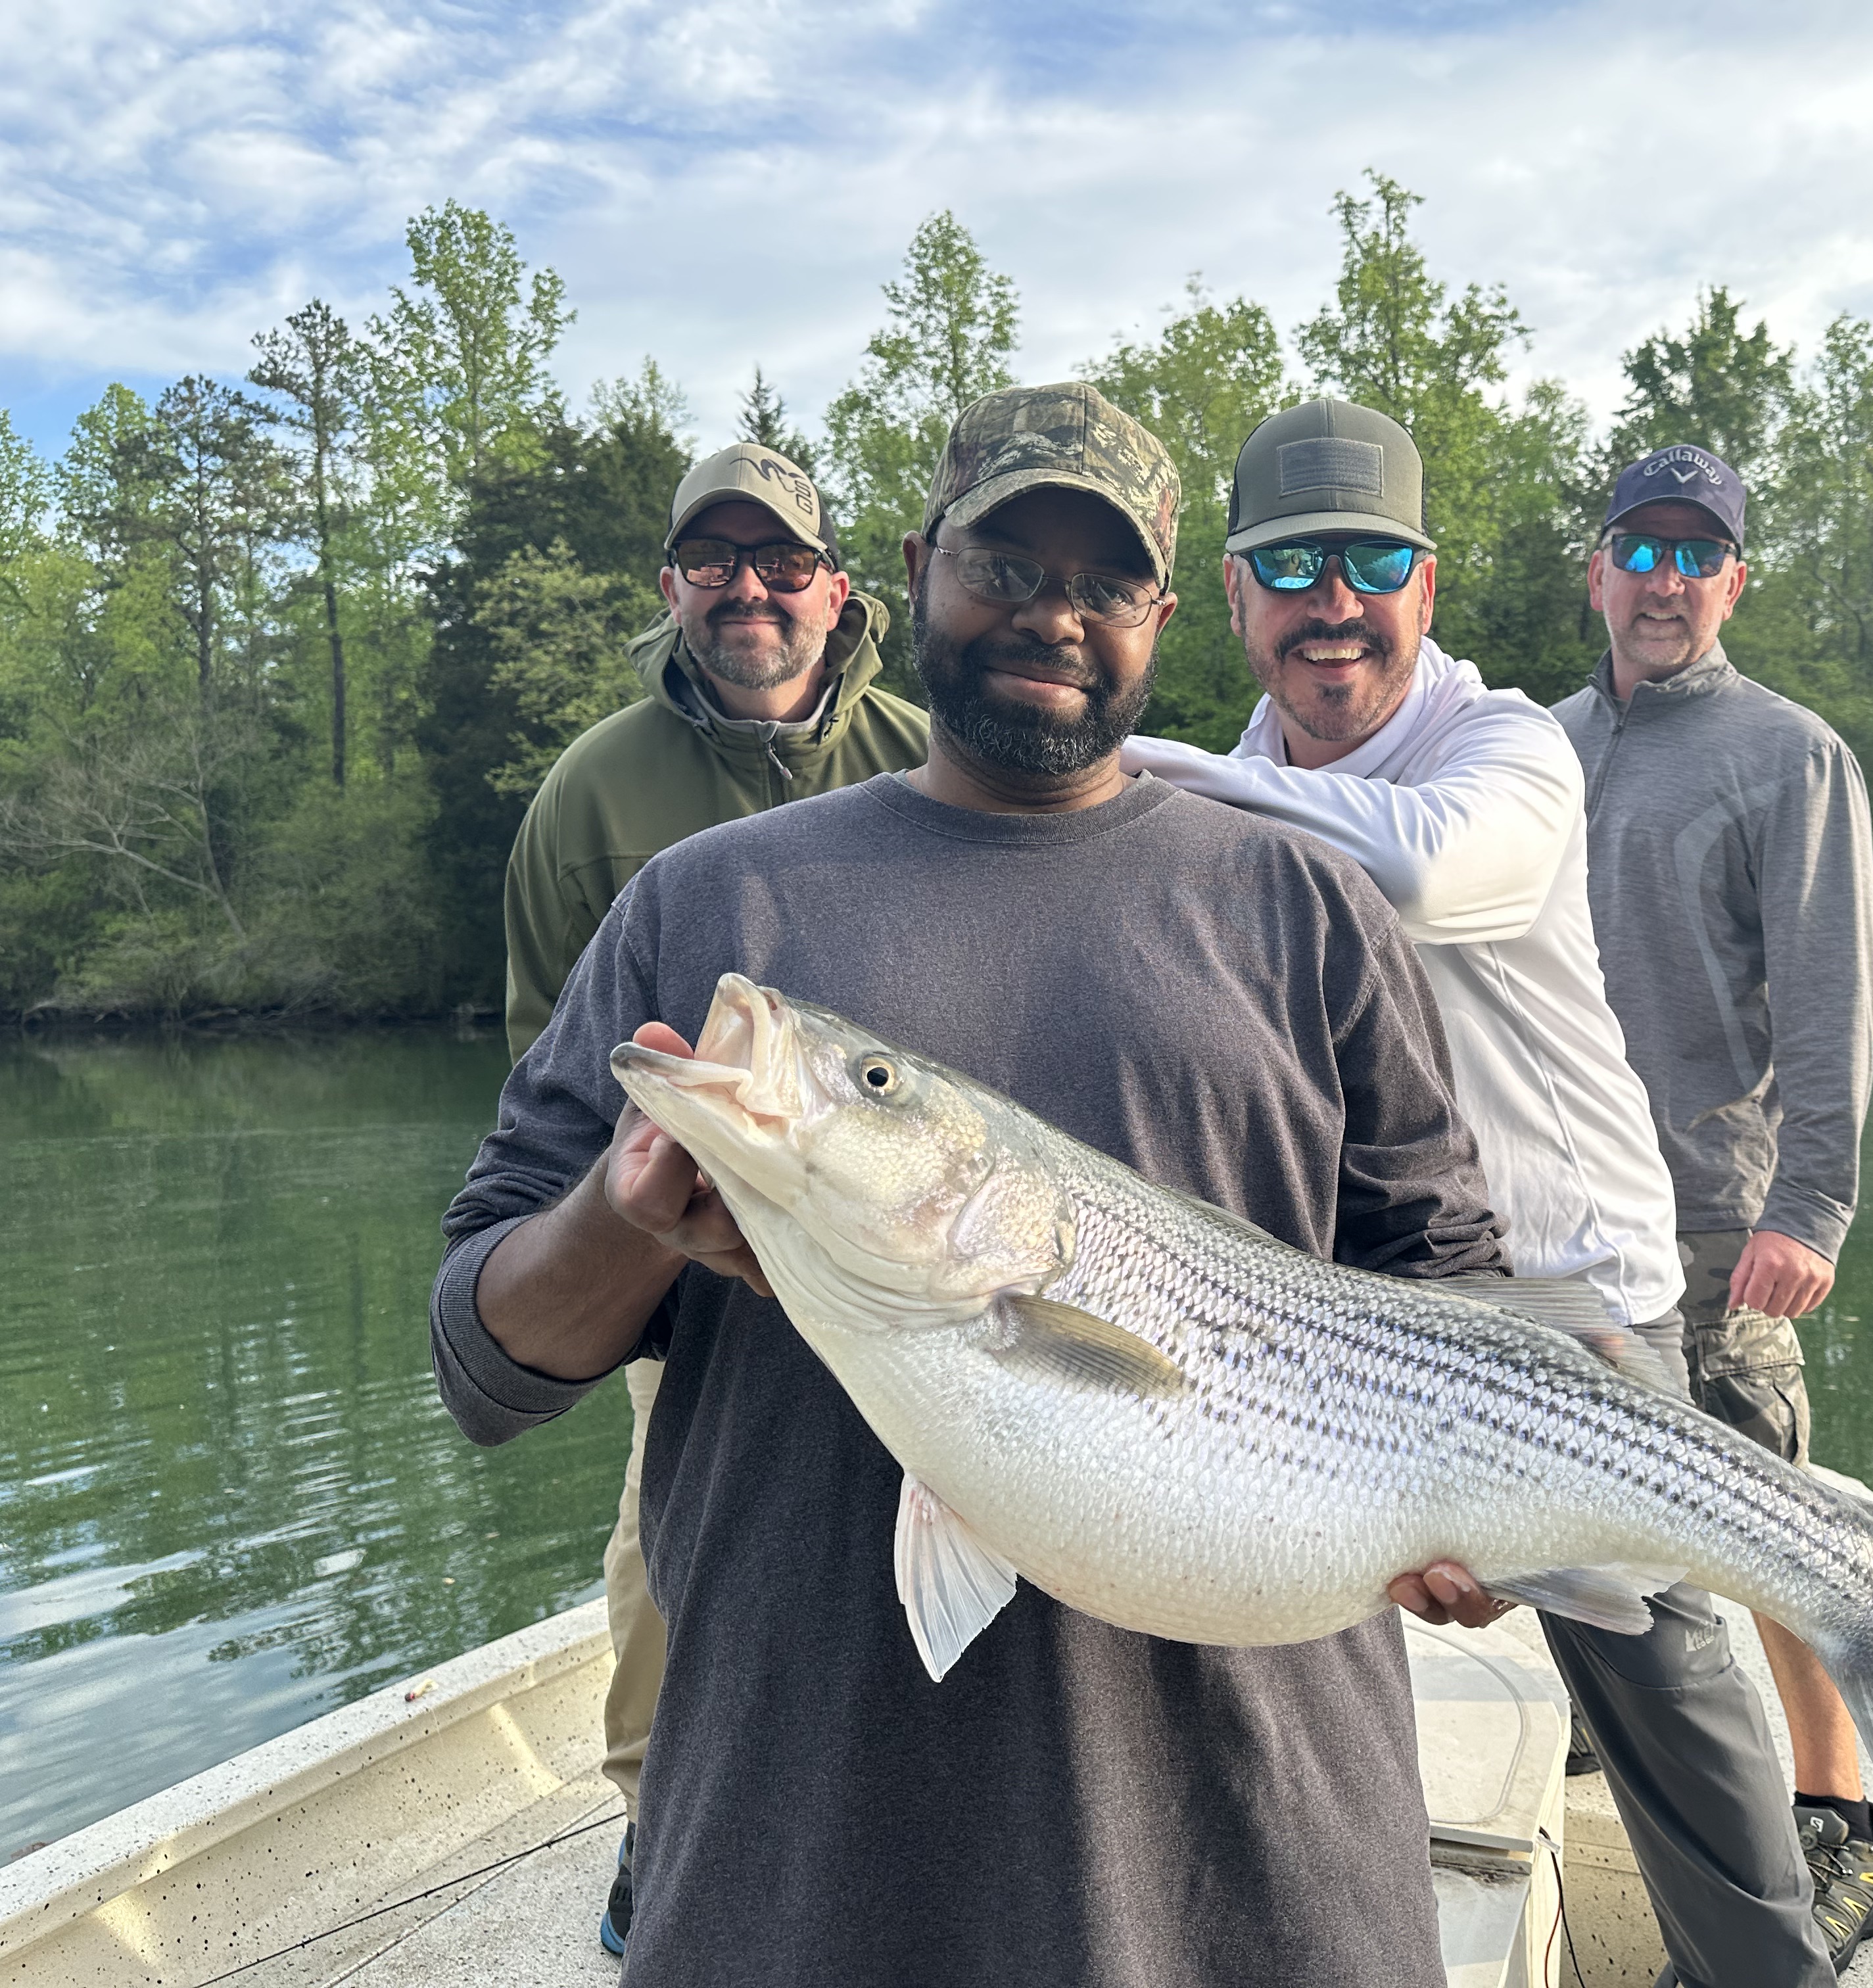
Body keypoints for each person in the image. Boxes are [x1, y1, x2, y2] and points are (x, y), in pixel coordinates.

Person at [431, 384, 1506, 1987]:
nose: (1052, 616)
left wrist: (1488, 1503)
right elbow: (483, 1364)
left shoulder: (1310, 907)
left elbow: (1451, 1272)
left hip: (1263, 1857)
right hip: (804, 1854)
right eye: (1005, 566)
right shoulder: (706, 910)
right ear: (918, 569)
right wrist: (623, 1220)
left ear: (1163, 615)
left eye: (1104, 581)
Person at [1126, 400, 1835, 1988]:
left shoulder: (1505, 749)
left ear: (1427, 588)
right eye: (1289, 567)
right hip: (1355, 1325)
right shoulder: (1233, 784)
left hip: (1576, 1303)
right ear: (1231, 598)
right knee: (1286, 1655)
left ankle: (1766, 1970)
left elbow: (1428, 873)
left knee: (1656, 1668)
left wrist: (1135, 775)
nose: (1333, 604)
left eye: (1372, 566)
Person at [496, 440, 929, 1953]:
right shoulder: (590, 792)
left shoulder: (928, 754)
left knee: (927, 1514)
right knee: (667, 1534)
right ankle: (657, 1818)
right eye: (715, 559)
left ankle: (907, 1804)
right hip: (696, 1264)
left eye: (783, 559)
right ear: (672, 585)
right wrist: (633, 1246)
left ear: (840, 588)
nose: (751, 587)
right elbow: (546, 1070)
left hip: (912, 1249)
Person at [1553, 444, 1873, 1970]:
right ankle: (1616, 1718)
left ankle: (1845, 1822)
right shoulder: (1536, 746)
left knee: (1771, 1520)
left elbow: (1831, 994)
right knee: (1581, 1492)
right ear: (1598, 571)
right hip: (1559, 1216)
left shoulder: (1790, 754)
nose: (1666, 580)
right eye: (1642, 549)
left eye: (1699, 555)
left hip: (1714, 1219)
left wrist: (1809, 1205)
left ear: (1736, 583)